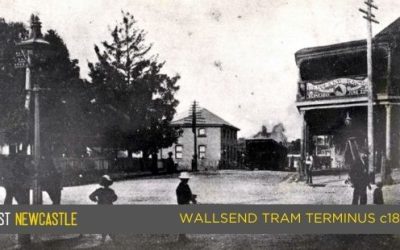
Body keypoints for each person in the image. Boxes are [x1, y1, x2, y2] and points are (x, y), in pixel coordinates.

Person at [89, 175, 118, 243]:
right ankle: (112, 236)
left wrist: (95, 200)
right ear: (108, 184)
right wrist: (111, 200)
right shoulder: (111, 191)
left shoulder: (99, 190)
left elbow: (90, 196)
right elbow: (115, 198)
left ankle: (104, 237)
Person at [176, 172, 197, 242]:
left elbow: (189, 195)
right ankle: (181, 237)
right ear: (182, 180)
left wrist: (192, 198)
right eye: (185, 179)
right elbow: (181, 199)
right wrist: (190, 199)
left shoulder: (186, 186)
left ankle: (182, 237)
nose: (186, 180)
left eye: (187, 179)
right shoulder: (179, 188)